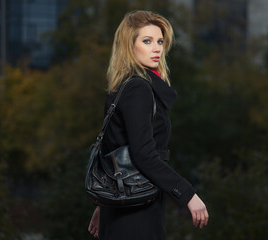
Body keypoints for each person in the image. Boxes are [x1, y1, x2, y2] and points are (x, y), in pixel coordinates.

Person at [88, 10, 209, 240]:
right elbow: (143, 154)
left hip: (124, 204)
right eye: (147, 41)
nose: (157, 48)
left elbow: (112, 149)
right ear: (129, 46)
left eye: (160, 41)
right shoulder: (138, 89)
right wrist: (188, 195)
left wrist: (104, 204)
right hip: (137, 208)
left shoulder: (122, 86)